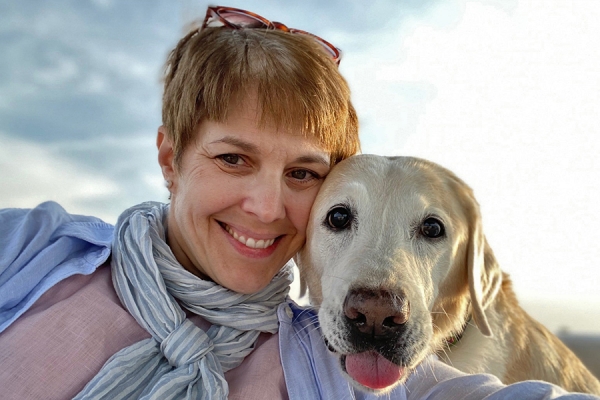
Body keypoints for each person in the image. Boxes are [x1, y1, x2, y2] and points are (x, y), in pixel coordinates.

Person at [0, 5, 598, 400]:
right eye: (233, 158)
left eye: (304, 173)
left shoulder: (337, 366)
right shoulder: (35, 249)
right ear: (169, 158)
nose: (265, 206)